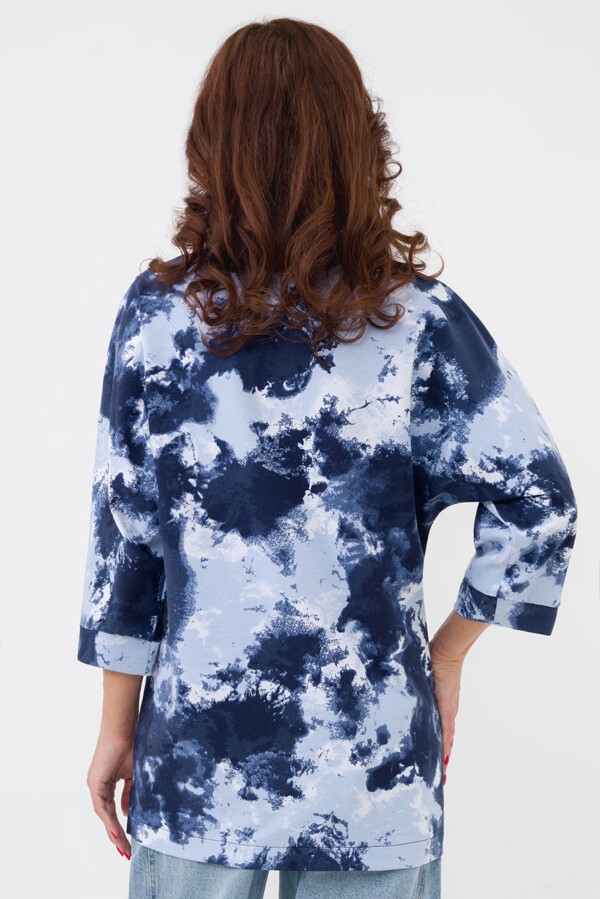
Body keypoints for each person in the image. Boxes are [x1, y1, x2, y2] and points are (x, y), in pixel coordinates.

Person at [79, 17, 577, 899]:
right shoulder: (417, 319)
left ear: (213, 143)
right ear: (356, 143)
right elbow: (540, 499)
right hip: (375, 762)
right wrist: (447, 654)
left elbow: (129, 537)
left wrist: (117, 725)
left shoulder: (158, 318)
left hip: (199, 765)